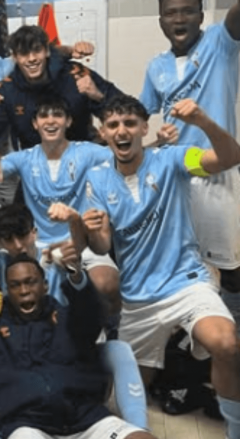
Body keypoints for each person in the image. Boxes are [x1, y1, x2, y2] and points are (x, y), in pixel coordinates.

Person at [83, 94, 240, 438]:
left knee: (227, 343)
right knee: (125, 406)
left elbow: (230, 157)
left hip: (186, 283)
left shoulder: (172, 158)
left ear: (144, 129)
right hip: (137, 298)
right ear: (103, 133)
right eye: (113, 125)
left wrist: (203, 122)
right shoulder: (96, 179)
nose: (121, 131)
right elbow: (103, 246)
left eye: (129, 124)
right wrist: (93, 232)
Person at [0, 205, 148, 431]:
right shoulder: (0, 261)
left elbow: (77, 251)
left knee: (118, 348)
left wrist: (74, 223)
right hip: (22, 352)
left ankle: (138, 426)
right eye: (9, 240)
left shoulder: (53, 255)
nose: (18, 245)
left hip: (69, 343)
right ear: (1, 242)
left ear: (34, 232)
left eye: (22, 236)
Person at [0, 96, 121, 314]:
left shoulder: (88, 153)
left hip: (81, 242)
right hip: (37, 247)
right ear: (35, 123)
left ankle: (110, 333)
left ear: (68, 121)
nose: (50, 121)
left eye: (57, 115)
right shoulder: (24, 159)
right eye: (43, 116)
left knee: (107, 284)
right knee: (26, 293)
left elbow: (129, 158)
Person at [140, 0, 240, 333]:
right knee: (179, 265)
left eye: (187, 11)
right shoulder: (157, 66)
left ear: (201, 15)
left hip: (217, 172)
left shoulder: (220, 43)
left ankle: (229, 346)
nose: (179, 18)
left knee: (230, 270)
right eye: (170, 12)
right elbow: (136, 115)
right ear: (160, 20)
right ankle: (188, 348)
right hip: (175, 179)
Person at [0, 25, 122, 150]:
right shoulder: (6, 89)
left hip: (84, 156)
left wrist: (98, 96)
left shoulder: (75, 75)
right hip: (36, 163)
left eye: (37, 50)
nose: (31, 58)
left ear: (47, 51)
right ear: (14, 57)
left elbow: (129, 111)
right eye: (24, 53)